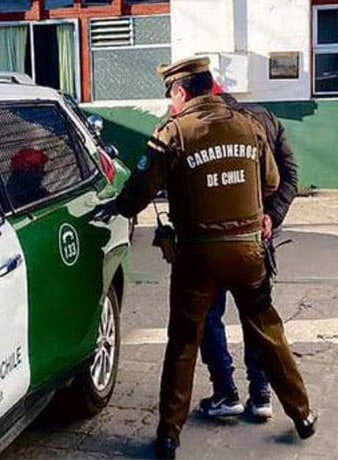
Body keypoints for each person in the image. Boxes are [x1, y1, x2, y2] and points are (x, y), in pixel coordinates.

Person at [113, 57, 316, 459]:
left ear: (180, 91)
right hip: (248, 252)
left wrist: (118, 205)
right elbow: (273, 182)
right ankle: (303, 415)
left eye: (170, 95)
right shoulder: (251, 126)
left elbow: (136, 196)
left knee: (184, 342)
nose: (169, 104)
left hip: (197, 258)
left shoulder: (173, 133)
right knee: (268, 331)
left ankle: (170, 435)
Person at [198, 85, 300, 420]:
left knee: (210, 316)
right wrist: (271, 215)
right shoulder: (266, 119)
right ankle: (261, 395)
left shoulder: (200, 127)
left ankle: (225, 393)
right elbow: (290, 177)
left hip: (213, 243)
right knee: (255, 316)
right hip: (258, 239)